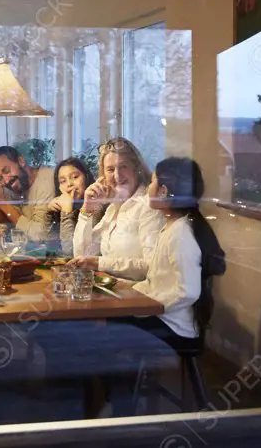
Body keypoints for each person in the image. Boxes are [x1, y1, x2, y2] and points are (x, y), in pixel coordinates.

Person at [130, 157, 226, 343]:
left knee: (108, 330)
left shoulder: (181, 233)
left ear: (163, 192)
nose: (149, 188)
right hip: (165, 318)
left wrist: (148, 307)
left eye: (152, 182)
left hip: (174, 327)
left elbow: (187, 292)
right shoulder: (172, 227)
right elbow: (159, 281)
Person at [66, 137, 163, 280]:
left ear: (136, 169)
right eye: (110, 169)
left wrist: (100, 263)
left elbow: (152, 267)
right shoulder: (113, 208)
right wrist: (87, 209)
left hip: (138, 296)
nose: (117, 175)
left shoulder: (148, 205)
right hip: (113, 293)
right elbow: (81, 254)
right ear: (103, 175)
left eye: (123, 167)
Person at [0, 145, 55, 243]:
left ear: (21, 161)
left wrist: (2, 203)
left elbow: (40, 236)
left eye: (6, 170)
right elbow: (7, 226)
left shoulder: (46, 179)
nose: (5, 180)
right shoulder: (12, 186)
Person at [46, 157, 96, 255]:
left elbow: (70, 252)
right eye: (63, 181)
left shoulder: (96, 206)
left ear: (86, 177)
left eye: (75, 177)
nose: (69, 184)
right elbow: (51, 250)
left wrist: (66, 212)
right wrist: (50, 214)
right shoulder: (64, 203)